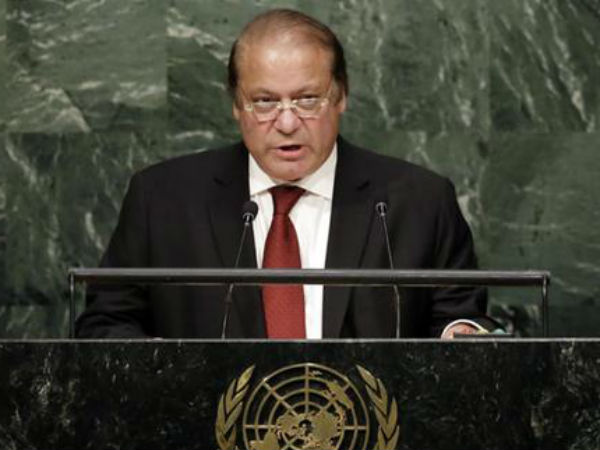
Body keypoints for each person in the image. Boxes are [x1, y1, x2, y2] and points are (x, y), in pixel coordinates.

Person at [76, 9, 493, 339]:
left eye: (307, 99)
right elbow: (106, 322)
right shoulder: (163, 199)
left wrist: (461, 336)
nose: (288, 123)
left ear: (341, 96)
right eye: (264, 102)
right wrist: (157, 368)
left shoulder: (418, 201)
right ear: (236, 105)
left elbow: (460, 318)